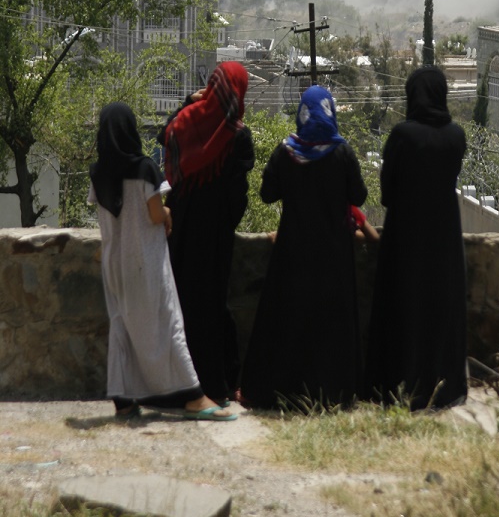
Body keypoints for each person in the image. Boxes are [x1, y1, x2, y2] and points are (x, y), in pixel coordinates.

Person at [89, 102, 237, 420]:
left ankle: (123, 400)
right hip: (146, 261)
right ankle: (194, 397)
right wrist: (169, 213)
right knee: (168, 323)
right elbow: (155, 214)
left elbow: (106, 218)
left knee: (122, 327)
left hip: (114, 264)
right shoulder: (144, 168)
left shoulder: (97, 172)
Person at [240, 84, 367, 410]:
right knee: (330, 324)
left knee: (288, 321)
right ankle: (333, 393)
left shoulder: (288, 151)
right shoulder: (342, 152)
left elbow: (267, 193)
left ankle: (282, 391)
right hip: (333, 254)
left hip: (293, 252)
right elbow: (359, 197)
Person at [365, 66, 467, 411]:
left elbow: (387, 191)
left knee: (403, 307)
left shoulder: (403, 136)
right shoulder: (456, 136)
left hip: (406, 236)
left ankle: (398, 383)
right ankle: (442, 386)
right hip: (445, 237)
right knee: (439, 310)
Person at [161, 61, 254, 405]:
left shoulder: (186, 121)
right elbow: (237, 196)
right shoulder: (238, 136)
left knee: (179, 303)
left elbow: (164, 134)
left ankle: (175, 385)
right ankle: (216, 384)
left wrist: (188, 101)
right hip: (213, 238)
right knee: (212, 306)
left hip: (180, 229)